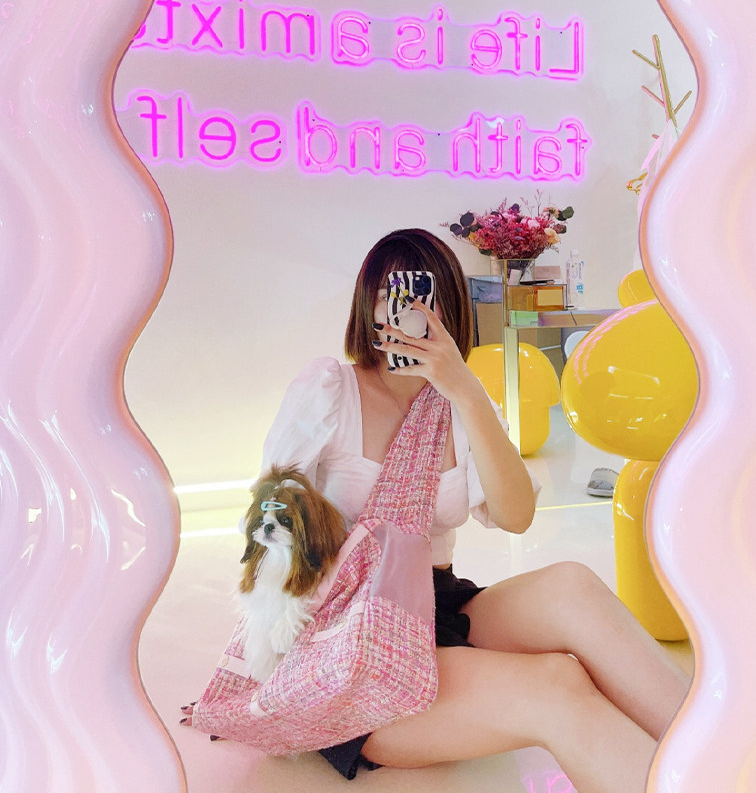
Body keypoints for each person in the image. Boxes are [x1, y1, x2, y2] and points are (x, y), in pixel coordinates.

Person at [256, 228, 690, 792]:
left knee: (572, 585)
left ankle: (722, 751)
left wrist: (463, 389)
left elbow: (516, 515)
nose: (410, 312)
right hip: (351, 640)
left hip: (437, 604)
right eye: (392, 295)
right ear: (369, 306)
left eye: (425, 295)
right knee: (555, 686)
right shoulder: (331, 390)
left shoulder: (460, 401)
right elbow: (270, 519)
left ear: (451, 308)